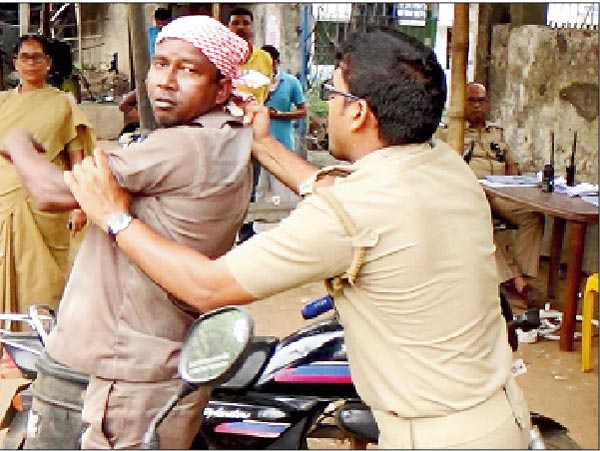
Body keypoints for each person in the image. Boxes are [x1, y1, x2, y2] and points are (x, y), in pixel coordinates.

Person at [65, 29, 531, 449]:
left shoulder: (347, 215)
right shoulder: (442, 164)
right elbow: (339, 194)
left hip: (433, 438)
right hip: (497, 414)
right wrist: (265, 145)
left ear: (359, 113)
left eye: (334, 94)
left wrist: (115, 218)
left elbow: (206, 287)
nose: (327, 105)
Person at [0, 16, 252, 449]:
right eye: (160, 64)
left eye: (188, 70)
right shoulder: (226, 137)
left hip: (124, 371)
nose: (166, 81)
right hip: (144, 359)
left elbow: (49, 190)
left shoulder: (185, 144)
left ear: (222, 88)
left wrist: (18, 143)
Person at [0, 34, 95, 318]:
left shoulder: (63, 104)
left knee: (42, 276)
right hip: (4, 195)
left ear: (48, 63)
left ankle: (37, 337)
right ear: (15, 63)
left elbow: (77, 154)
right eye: (24, 57)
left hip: (44, 201)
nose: (31, 63)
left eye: (37, 57)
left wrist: (79, 204)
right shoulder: (3, 102)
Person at [439, 82, 544, 305]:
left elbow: (511, 163)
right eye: (472, 101)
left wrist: (515, 182)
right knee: (482, 219)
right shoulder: (448, 133)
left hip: (501, 193)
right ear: (461, 103)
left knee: (532, 216)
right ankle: (518, 284)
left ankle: (520, 276)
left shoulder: (496, 132)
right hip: (472, 196)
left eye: (481, 101)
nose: (477, 106)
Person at [227, 6, 273, 242]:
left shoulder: (264, 59)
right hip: (224, 130)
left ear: (252, 28)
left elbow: (266, 91)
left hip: (253, 130)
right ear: (228, 28)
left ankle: (245, 233)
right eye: (236, 23)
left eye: (246, 23)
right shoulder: (219, 57)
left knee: (250, 182)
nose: (241, 27)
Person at [255, 44, 306, 206]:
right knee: (259, 188)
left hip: (281, 141)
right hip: (255, 143)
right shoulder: (252, 82)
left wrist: (280, 115)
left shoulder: (290, 82)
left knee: (281, 188)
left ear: (277, 62)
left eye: (269, 62)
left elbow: (302, 111)